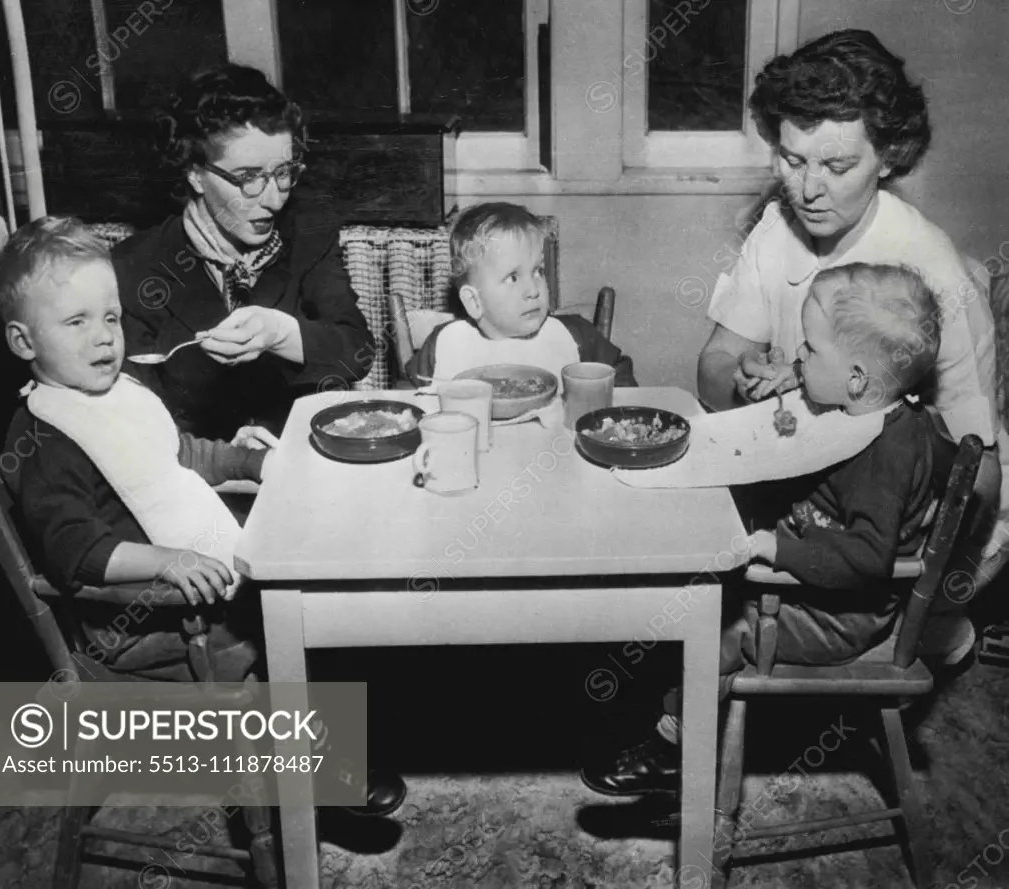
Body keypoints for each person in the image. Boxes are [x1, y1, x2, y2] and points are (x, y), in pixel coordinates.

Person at [583, 263, 956, 800]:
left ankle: (673, 753)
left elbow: (869, 558)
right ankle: (658, 704)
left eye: (812, 348)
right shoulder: (857, 407)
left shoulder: (887, 455)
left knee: (717, 630)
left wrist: (778, 547)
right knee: (684, 591)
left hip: (843, 615)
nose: (800, 354)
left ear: (856, 377)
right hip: (814, 582)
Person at [694, 28, 1003, 666]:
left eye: (836, 167)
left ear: (887, 157)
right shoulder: (778, 227)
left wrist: (921, 589)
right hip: (804, 489)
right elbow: (714, 367)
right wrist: (744, 378)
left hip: (875, 522)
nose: (807, 189)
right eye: (791, 158)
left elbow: (980, 476)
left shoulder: (933, 272)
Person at [0, 216, 269, 683]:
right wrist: (167, 561)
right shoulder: (44, 435)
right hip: (139, 625)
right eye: (76, 321)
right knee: (281, 628)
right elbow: (73, 550)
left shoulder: (121, 392)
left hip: (189, 591)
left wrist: (255, 463)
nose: (103, 335)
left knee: (291, 582)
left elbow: (178, 456)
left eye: (110, 316)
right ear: (23, 341)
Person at [111, 63, 375, 442]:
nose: (273, 199)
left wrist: (282, 333)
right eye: (248, 178)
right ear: (195, 174)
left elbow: (357, 350)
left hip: (300, 447)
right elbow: (132, 412)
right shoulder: (133, 267)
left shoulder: (308, 237)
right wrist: (225, 459)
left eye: (284, 172)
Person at [406, 202, 638, 387]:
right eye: (513, 278)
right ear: (473, 301)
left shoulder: (575, 335)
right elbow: (404, 395)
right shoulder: (446, 344)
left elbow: (620, 377)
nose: (533, 290)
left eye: (538, 272)